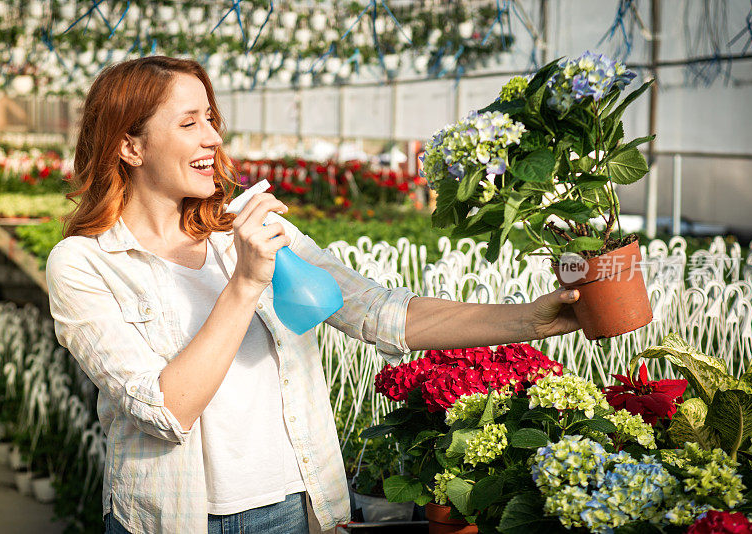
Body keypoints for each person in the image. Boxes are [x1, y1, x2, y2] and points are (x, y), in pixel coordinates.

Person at [45, 56, 581, 534]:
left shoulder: (242, 232)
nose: (212, 137)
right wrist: (246, 284)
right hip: (176, 517)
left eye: (211, 118)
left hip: (289, 510)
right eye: (189, 123)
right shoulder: (85, 265)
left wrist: (529, 320)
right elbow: (165, 411)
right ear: (129, 146)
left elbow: (377, 312)